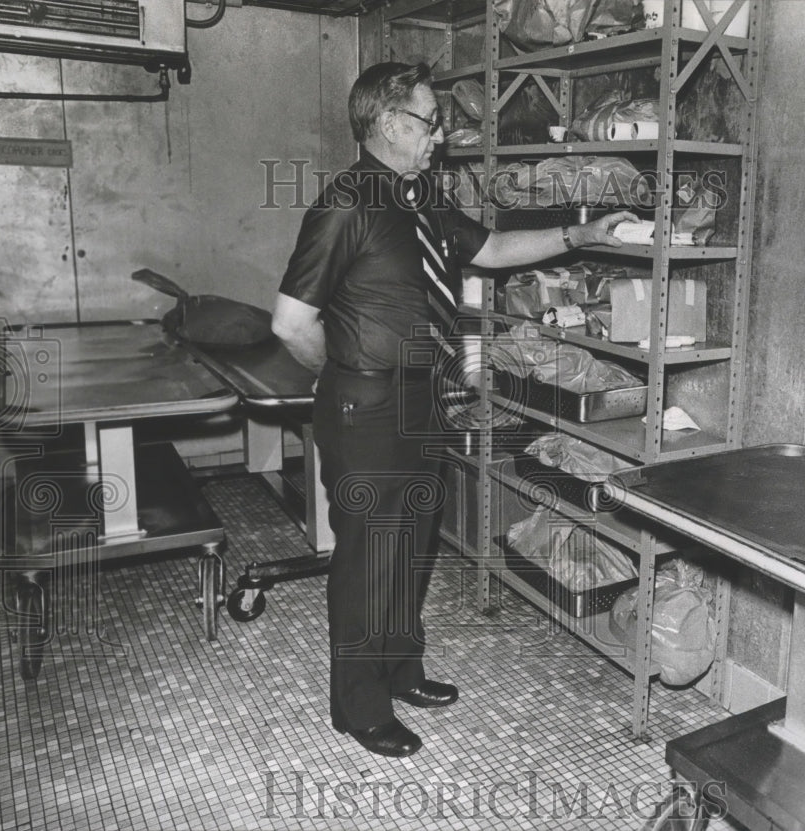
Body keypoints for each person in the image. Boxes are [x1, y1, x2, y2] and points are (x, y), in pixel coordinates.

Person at [272, 61, 639, 758]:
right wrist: (345, 373)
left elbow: (493, 247)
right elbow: (290, 321)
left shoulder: (419, 197)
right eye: (428, 121)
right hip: (366, 402)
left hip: (420, 399)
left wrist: (580, 236)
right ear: (384, 123)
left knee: (413, 543)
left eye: (439, 122)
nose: (440, 135)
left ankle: (401, 670)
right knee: (368, 554)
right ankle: (358, 704)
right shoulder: (345, 203)